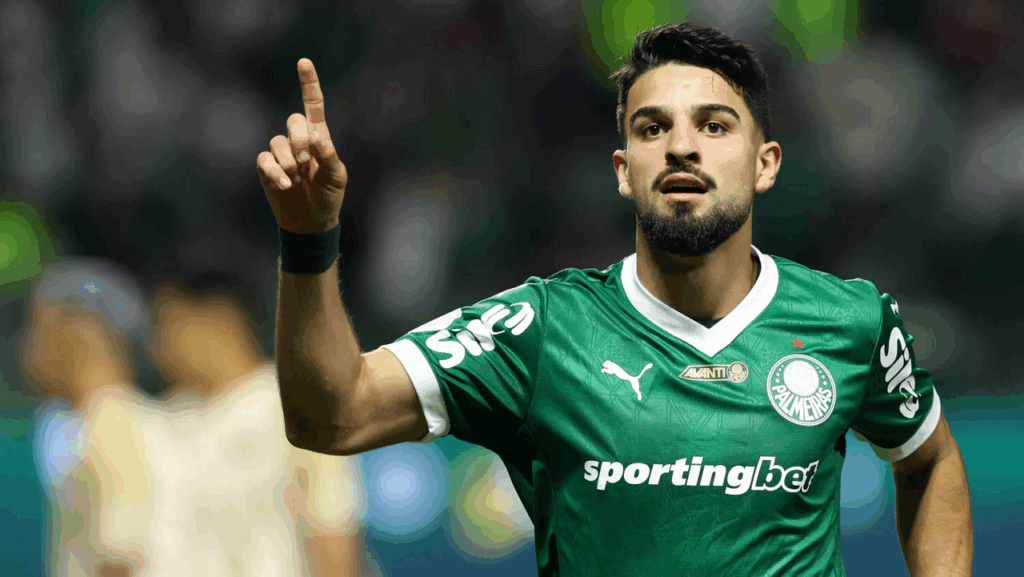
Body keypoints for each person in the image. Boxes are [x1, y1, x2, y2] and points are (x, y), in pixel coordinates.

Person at [255, 22, 974, 576]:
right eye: (653, 128)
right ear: (624, 171)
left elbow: (929, 459)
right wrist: (310, 238)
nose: (682, 147)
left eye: (714, 125)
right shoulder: (540, 329)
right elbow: (331, 416)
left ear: (765, 164)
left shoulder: (850, 320)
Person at [147, 278, 367, 576]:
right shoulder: (167, 419)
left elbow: (331, 529)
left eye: (168, 327)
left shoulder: (296, 407)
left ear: (220, 320)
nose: (159, 349)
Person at [19, 257, 159, 577]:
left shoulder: (114, 428)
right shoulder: (107, 423)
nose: (26, 345)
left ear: (77, 331)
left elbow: (119, 560)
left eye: (37, 325)